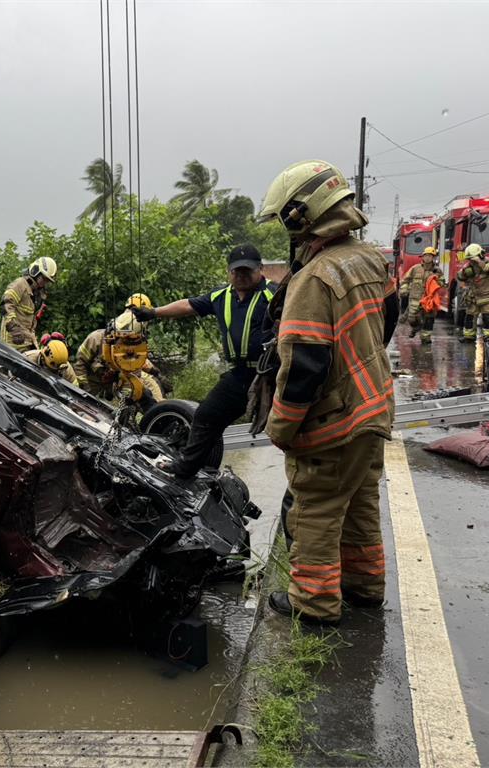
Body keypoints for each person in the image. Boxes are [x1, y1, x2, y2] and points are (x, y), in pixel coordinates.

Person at [257, 159, 397, 626]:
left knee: (316, 508)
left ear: (302, 216)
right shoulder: (372, 258)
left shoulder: (313, 279)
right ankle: (365, 588)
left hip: (334, 421)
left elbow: (304, 366)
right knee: (360, 500)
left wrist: (281, 425)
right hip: (373, 408)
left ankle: (314, 604)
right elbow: (387, 321)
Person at [130, 245, 275, 478]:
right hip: (240, 375)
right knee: (207, 416)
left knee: (287, 428)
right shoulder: (221, 296)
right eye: (236, 271)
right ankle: (187, 469)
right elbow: (188, 305)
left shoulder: (274, 295)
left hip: (272, 372)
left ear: (260, 269)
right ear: (229, 272)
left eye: (247, 270)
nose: (241, 275)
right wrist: (153, 312)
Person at [73, 308, 164, 403]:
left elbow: (132, 376)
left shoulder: (137, 350)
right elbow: (80, 363)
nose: (128, 346)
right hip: (91, 379)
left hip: (115, 383)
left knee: (137, 399)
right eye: (124, 339)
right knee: (78, 401)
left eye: (132, 341)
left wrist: (127, 399)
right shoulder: (96, 338)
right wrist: (84, 389)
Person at [0, 257, 58, 351]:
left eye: (47, 280)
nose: (45, 283)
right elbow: (5, 304)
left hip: (28, 341)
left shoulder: (36, 292)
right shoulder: (20, 284)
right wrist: (14, 328)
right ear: (35, 272)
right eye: (44, 278)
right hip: (13, 344)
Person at [399, 246, 445, 343]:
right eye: (426, 256)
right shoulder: (415, 269)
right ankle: (416, 328)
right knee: (412, 319)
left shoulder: (438, 271)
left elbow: (442, 283)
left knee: (429, 319)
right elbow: (405, 280)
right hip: (415, 298)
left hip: (429, 299)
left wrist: (436, 278)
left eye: (430, 256)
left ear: (433, 258)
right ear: (422, 257)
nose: (427, 258)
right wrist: (404, 290)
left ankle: (426, 338)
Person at [457, 243, 489, 342]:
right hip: (473, 297)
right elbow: (460, 277)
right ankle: (468, 336)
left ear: (480, 255)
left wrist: (480, 262)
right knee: (469, 317)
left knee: (487, 317)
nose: (471, 261)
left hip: (488, 296)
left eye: (472, 258)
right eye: (469, 259)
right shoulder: (469, 266)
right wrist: (464, 271)